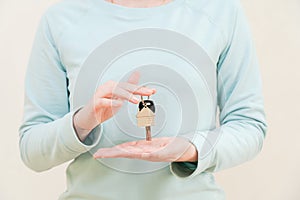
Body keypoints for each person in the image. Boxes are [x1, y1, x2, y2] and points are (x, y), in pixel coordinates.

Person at [19, 0, 267, 199]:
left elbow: (249, 126)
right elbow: (32, 150)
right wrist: (84, 121)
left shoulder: (221, 11)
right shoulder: (60, 19)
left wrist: (191, 149)